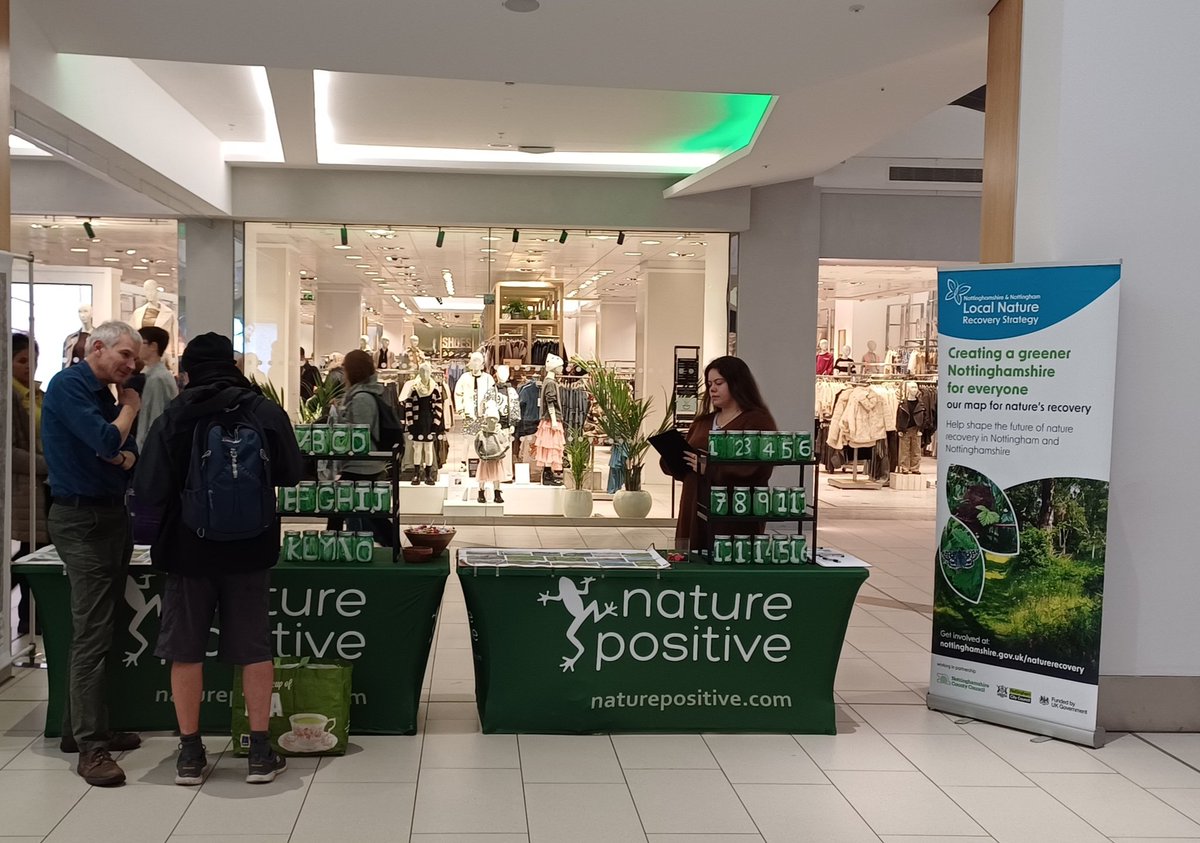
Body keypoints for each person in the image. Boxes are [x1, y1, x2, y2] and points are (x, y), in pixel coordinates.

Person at [134, 333, 303, 786]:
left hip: (189, 550)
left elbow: (148, 488)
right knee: (253, 650)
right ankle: (260, 753)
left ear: (187, 371)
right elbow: (291, 472)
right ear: (232, 364)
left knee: (186, 650)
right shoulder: (263, 410)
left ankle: (190, 754)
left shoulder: (177, 414)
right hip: (252, 547)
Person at [42, 321, 143, 786]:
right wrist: (131, 410)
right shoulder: (70, 387)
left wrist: (121, 449)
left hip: (111, 515)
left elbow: (128, 452)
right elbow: (108, 442)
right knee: (92, 632)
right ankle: (91, 748)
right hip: (81, 520)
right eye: (124, 355)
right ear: (96, 347)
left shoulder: (104, 392)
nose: (131, 365)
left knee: (103, 626)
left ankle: (79, 729)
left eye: (134, 360)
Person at [661, 356, 777, 551]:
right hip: (694, 503)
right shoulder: (703, 422)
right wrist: (673, 459)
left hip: (732, 509)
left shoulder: (757, 422)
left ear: (737, 383)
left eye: (719, 383)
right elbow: (688, 463)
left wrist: (710, 468)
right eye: (709, 384)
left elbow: (759, 468)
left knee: (726, 556)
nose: (712, 389)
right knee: (693, 556)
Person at [330, 350, 393, 545]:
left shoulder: (361, 398)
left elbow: (358, 436)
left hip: (361, 465)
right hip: (365, 465)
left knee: (346, 511)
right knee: (370, 514)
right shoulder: (362, 395)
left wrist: (339, 418)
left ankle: (334, 546)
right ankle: (393, 548)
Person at [10, 333, 49, 635]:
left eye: (33, 360)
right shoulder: (10, 396)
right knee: (29, 553)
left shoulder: (37, 394)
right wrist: (48, 464)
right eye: (23, 361)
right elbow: (8, 452)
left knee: (34, 551)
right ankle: (28, 619)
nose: (30, 367)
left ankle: (30, 618)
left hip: (41, 487)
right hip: (23, 487)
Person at [135, 326, 177, 450]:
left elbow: (155, 417)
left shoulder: (157, 378)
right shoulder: (154, 375)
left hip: (152, 450)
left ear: (153, 346)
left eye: (141, 343)